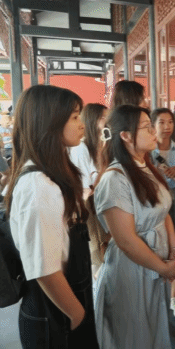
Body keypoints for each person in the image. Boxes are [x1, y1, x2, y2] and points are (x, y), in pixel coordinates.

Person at [5, 85, 99, 349]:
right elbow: (45, 270)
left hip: (63, 305)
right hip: (54, 314)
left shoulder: (50, 175)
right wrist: (77, 315)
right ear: (50, 123)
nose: (82, 125)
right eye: (75, 117)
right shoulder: (38, 185)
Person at [93, 104, 175, 349]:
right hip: (132, 267)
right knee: (134, 335)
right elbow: (126, 241)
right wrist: (163, 268)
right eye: (147, 127)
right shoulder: (115, 179)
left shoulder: (146, 166)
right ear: (125, 135)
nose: (155, 132)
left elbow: (162, 212)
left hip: (154, 261)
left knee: (152, 327)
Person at [151, 108, 175, 319]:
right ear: (153, 125)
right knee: (156, 248)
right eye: (161, 122)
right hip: (156, 207)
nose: (167, 127)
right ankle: (156, 293)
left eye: (170, 122)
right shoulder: (148, 152)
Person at [69, 103, 110, 276]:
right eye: (104, 118)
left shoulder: (100, 146)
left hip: (101, 206)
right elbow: (87, 189)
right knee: (97, 256)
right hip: (89, 209)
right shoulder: (81, 147)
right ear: (94, 120)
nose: (108, 121)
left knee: (104, 254)